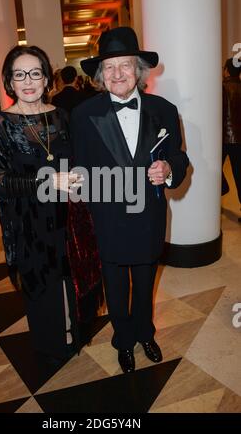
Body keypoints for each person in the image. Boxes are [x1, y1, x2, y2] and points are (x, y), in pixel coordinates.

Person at [71, 26, 189, 373]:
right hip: (107, 219)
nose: (117, 73)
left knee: (146, 279)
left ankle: (145, 333)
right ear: (100, 75)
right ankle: (123, 340)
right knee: (116, 285)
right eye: (109, 67)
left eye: (125, 65)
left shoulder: (164, 110)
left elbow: (180, 157)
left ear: (138, 71)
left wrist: (168, 167)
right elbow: (78, 167)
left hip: (149, 215)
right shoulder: (82, 115)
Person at [0, 45, 90, 362]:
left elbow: (76, 160)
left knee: (69, 275)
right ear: (9, 81)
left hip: (66, 212)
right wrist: (45, 182)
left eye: (36, 73)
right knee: (41, 282)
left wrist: (78, 176)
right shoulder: (2, 123)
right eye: (20, 74)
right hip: (28, 218)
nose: (28, 81)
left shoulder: (61, 116)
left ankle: (74, 330)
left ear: (47, 79)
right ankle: (51, 343)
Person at [222, 57, 241, 222]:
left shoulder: (221, 88)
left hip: (222, 140)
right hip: (240, 141)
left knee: (214, 173)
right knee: (240, 176)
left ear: (227, 70)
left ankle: (221, 190)